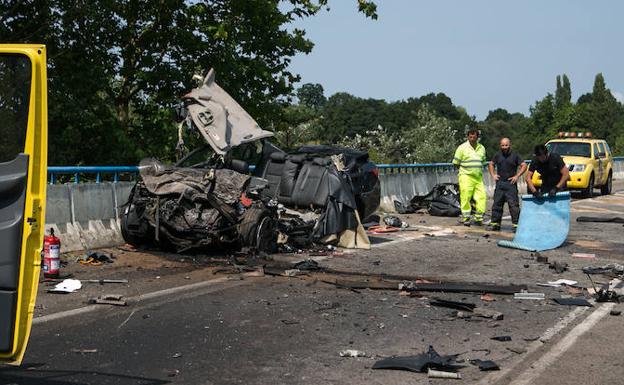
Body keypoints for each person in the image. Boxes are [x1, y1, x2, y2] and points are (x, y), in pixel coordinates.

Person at [487, 138, 527, 231]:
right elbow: (491, 164)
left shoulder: (515, 155)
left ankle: (516, 225)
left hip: (511, 184)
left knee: (513, 206)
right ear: (500, 145)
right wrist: (493, 175)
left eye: (506, 145)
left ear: (509, 145)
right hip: (500, 183)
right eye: (502, 145)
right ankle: (495, 224)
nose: (504, 147)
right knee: (497, 204)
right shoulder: (497, 155)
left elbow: (524, 165)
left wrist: (517, 176)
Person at [453, 128, 487, 226]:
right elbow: (456, 163)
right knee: (465, 196)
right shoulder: (462, 148)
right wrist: (463, 171)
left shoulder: (482, 148)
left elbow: (483, 162)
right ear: (468, 137)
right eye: (470, 136)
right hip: (466, 176)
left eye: (474, 136)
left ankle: (479, 218)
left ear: (477, 137)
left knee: (481, 197)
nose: (472, 138)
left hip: (478, 177)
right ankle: (466, 217)